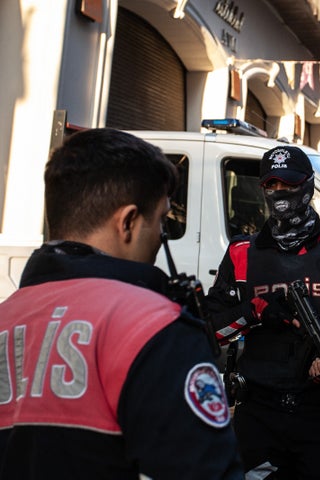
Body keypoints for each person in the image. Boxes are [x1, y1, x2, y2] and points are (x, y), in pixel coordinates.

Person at [0, 129, 244, 479]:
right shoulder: (157, 328)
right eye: (162, 219)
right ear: (128, 221)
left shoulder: (5, 319)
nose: (162, 237)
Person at [205, 145, 320, 479]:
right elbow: (209, 331)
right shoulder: (240, 253)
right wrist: (254, 312)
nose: (280, 194)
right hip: (257, 411)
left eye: (290, 185)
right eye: (271, 185)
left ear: (308, 186)